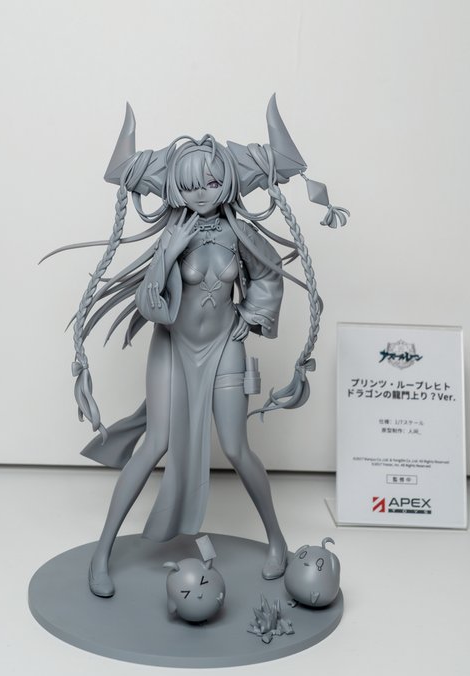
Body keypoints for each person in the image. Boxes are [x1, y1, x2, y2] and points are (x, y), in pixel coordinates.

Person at [54, 96, 348, 597]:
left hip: (224, 346)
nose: (202, 192)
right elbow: (151, 304)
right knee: (155, 444)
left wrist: (252, 315)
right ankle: (102, 553)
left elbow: (268, 275)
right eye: (190, 185)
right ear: (175, 188)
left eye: (211, 182)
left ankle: (277, 541)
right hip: (172, 346)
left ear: (227, 181)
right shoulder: (174, 234)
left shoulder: (239, 234)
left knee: (235, 447)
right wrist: (167, 253)